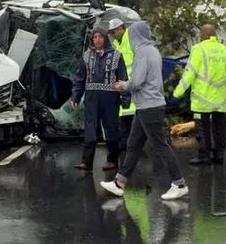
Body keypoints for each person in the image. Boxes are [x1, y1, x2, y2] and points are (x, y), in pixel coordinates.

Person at [101, 21, 188, 201]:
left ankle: (179, 184)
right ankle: (119, 182)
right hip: (146, 106)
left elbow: (137, 80)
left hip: (149, 106)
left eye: (132, 35)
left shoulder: (141, 53)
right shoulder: (153, 51)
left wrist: (121, 86)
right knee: (133, 144)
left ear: (136, 36)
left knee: (160, 146)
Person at [173, 24, 226, 166]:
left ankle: (204, 156)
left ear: (202, 35)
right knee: (219, 126)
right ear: (214, 35)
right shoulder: (224, 50)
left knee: (202, 127)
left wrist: (178, 92)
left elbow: (190, 73)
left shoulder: (198, 49)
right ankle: (219, 155)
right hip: (219, 99)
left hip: (202, 99)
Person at [70, 26, 130, 172]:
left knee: (111, 130)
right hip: (92, 98)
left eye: (100, 37)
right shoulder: (87, 55)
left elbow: (123, 78)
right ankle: (86, 162)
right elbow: (80, 78)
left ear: (105, 38)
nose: (97, 40)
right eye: (95, 37)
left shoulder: (116, 55)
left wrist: (126, 99)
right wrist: (75, 96)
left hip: (110, 98)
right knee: (90, 130)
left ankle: (112, 160)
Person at [107, 18, 136, 157]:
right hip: (123, 86)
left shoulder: (130, 40)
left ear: (120, 29)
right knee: (125, 117)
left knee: (130, 117)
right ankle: (125, 146)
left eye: (113, 32)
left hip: (133, 85)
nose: (112, 35)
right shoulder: (117, 44)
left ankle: (128, 147)